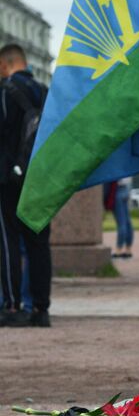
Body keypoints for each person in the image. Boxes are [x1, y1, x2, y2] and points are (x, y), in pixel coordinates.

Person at [0, 44, 52, 327]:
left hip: (8, 176)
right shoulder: (44, 92)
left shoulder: (6, 91)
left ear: (5, 64)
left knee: (8, 239)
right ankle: (40, 309)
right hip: (40, 177)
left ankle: (12, 305)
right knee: (38, 242)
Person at [105, 177, 134, 258]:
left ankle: (119, 250)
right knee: (127, 222)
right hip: (126, 189)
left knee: (121, 223)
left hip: (117, 190)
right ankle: (128, 249)